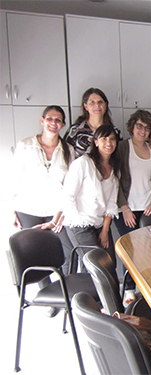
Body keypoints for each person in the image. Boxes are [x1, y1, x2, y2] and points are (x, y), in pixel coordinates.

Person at [12, 106, 75, 317]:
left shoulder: (68, 149)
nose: (54, 123)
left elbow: (70, 184)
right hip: (28, 207)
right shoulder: (26, 145)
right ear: (42, 120)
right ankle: (47, 293)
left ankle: (65, 292)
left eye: (58, 120)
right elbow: (15, 177)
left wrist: (63, 211)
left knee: (66, 252)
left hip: (57, 210)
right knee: (36, 254)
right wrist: (11, 208)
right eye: (50, 119)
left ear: (63, 125)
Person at [115, 110, 151, 304]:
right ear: (132, 126)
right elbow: (115, 179)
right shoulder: (122, 147)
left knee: (148, 250)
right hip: (127, 208)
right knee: (131, 250)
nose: (143, 131)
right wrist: (124, 207)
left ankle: (145, 287)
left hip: (148, 208)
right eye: (139, 126)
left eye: (147, 127)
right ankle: (128, 289)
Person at [63, 125, 120, 268]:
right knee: (95, 265)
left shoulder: (114, 168)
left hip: (100, 224)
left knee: (109, 263)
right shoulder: (83, 163)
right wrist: (77, 221)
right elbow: (68, 195)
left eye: (112, 139)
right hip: (80, 223)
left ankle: (103, 291)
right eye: (104, 139)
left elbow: (112, 202)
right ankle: (88, 291)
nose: (109, 143)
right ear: (95, 142)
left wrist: (105, 230)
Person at [64, 87, 122, 158]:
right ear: (86, 106)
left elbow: (119, 157)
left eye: (100, 102)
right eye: (92, 102)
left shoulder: (114, 132)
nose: (97, 105)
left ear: (106, 105)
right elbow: (65, 155)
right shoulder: (74, 130)